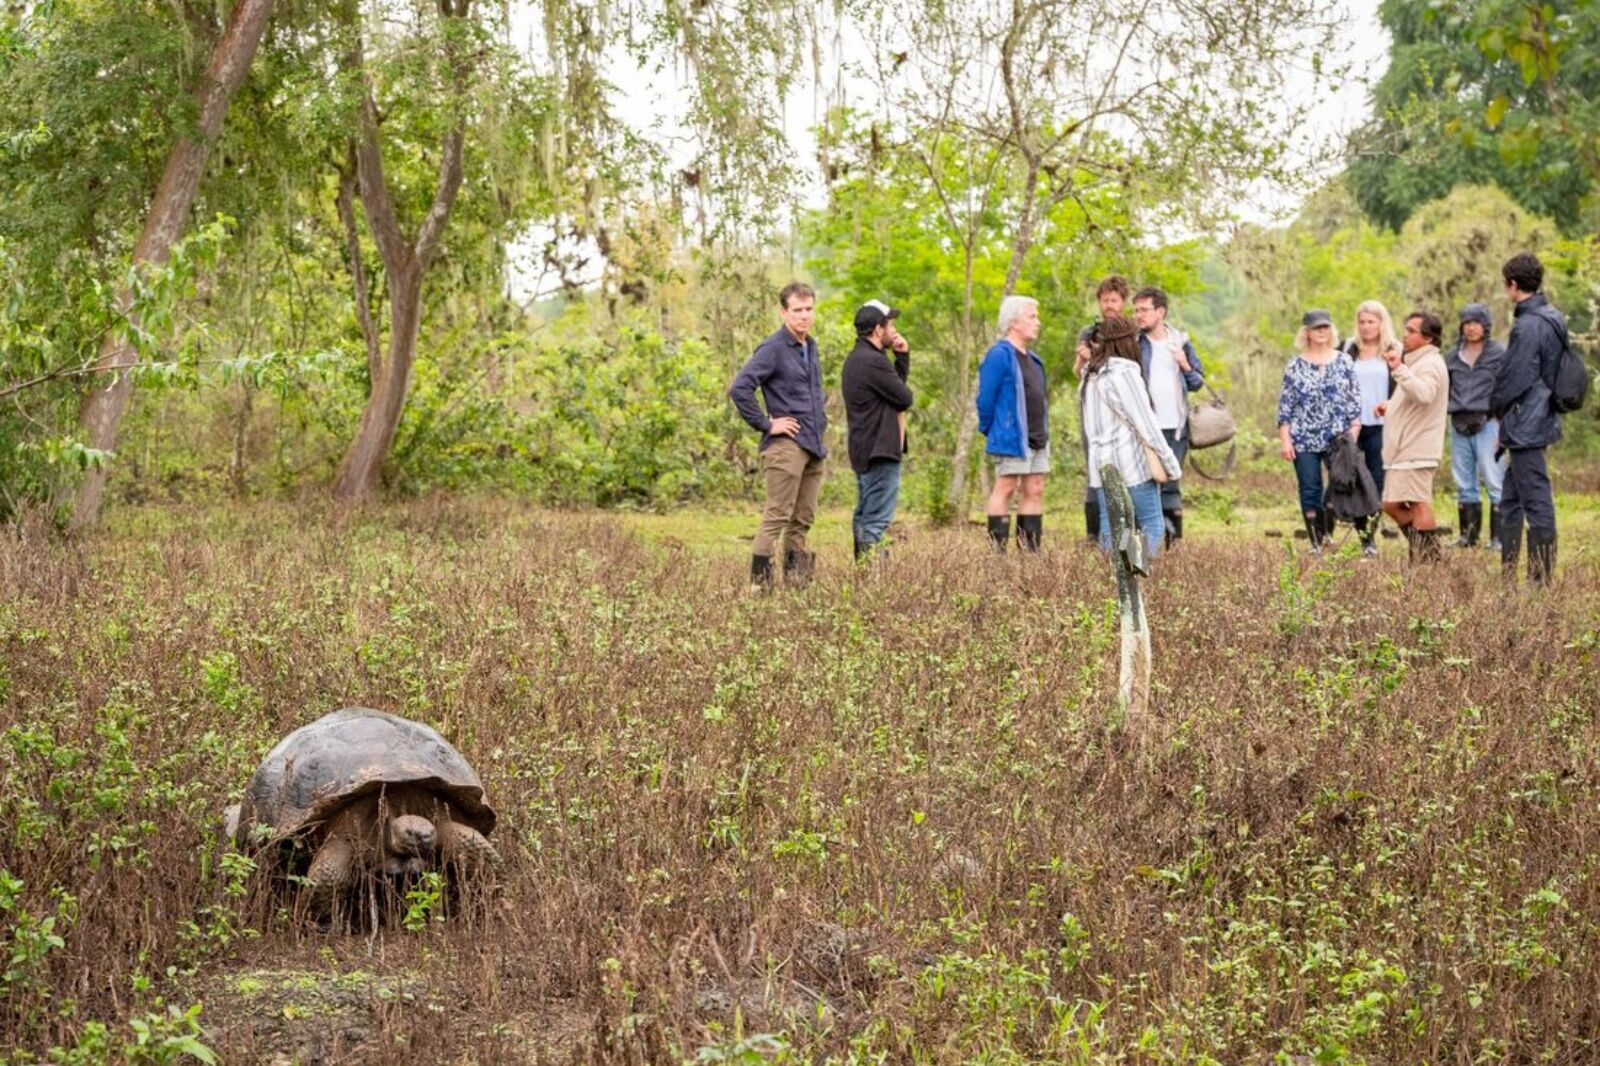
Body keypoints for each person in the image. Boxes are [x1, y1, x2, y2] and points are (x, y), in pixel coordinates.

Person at [728, 282, 827, 589]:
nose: (804, 316)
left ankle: (798, 589)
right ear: (784, 312)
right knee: (776, 518)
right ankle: (761, 590)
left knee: (802, 521)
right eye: (797, 310)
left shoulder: (810, 346)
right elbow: (739, 388)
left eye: (809, 309)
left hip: (813, 445)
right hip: (786, 447)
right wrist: (767, 424)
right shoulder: (772, 348)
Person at [1491, 252, 1568, 586]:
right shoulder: (1553, 316)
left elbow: (1515, 376)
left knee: (1536, 502)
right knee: (1510, 499)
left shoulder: (1530, 324)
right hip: (1537, 417)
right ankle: (1507, 575)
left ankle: (1540, 580)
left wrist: (1495, 408)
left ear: (1512, 285)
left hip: (1527, 424)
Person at [1080, 314, 1182, 560]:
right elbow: (1147, 426)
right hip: (1131, 466)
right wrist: (1171, 465)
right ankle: (1140, 577)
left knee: (1111, 527)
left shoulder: (1090, 375)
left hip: (1103, 466)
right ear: (1128, 341)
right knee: (1151, 525)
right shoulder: (1124, 373)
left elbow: (1090, 428)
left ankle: (1115, 583)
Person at [1276, 309, 1361, 552]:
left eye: (1325, 327)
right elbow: (1285, 407)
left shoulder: (1344, 361)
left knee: (1338, 485)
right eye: (1316, 328)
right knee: (1309, 487)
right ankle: (1316, 541)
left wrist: (1353, 434)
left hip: (1338, 436)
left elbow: (1354, 402)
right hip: (1303, 437)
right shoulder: (1295, 365)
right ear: (1307, 333)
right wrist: (1285, 440)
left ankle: (1328, 533)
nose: (1321, 332)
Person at [1131, 286, 1205, 547]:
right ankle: (1145, 546)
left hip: (1175, 426)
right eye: (1136, 310)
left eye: (1144, 310)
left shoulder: (1181, 342)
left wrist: (1184, 364)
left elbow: (1197, 382)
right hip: (1143, 427)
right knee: (1143, 484)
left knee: (1171, 484)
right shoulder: (1134, 343)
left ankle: (1173, 547)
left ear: (1160, 311)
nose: (1138, 315)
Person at [1375, 311, 1449, 563]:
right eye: (1405, 329)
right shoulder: (1417, 361)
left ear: (1428, 338)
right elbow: (1414, 397)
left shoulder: (1431, 364)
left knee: (1417, 502)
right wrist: (1391, 405)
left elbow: (1425, 393)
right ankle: (1428, 554)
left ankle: (1427, 560)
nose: (1404, 335)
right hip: (1406, 446)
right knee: (1391, 504)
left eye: (1411, 331)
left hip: (1419, 445)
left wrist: (1398, 369)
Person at [977, 295, 1049, 552]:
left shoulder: (1035, 359)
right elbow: (985, 398)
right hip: (1011, 435)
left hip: (1037, 435)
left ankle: (1030, 552)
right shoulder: (1000, 355)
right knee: (1006, 487)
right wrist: (993, 429)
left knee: (1035, 488)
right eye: (1032, 317)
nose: (1037, 322)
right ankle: (998, 552)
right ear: (1014, 322)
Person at [841, 300, 912, 560]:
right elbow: (904, 397)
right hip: (880, 450)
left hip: (864, 448)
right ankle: (876, 584)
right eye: (889, 324)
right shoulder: (873, 362)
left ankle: (864, 577)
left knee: (864, 515)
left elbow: (892, 392)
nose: (893, 330)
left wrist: (901, 357)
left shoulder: (858, 359)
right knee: (875, 521)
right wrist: (902, 358)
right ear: (877, 330)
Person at [1445, 304, 1507, 550]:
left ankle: (1499, 539)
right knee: (1464, 481)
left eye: (1476, 322)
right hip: (1459, 421)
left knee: (1494, 480)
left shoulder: (1499, 353)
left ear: (1486, 326)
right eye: (1466, 323)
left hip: (1489, 422)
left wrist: (1503, 423)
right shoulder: (1452, 356)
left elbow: (1507, 388)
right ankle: (1468, 537)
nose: (1471, 328)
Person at [1074, 276, 1130, 541]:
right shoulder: (1089, 332)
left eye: (1114, 300)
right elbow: (1077, 372)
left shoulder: (1130, 331)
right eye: (1105, 300)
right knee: (1095, 468)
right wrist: (1086, 358)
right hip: (1093, 410)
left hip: (1123, 409)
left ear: (1123, 302)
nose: (1109, 305)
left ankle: (1126, 530)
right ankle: (1093, 535)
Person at [1342, 301, 1399, 557]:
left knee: (1376, 482)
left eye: (1372, 321)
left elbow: (1402, 386)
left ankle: (1369, 539)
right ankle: (1354, 530)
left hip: (1381, 426)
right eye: (1363, 321)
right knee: (1350, 478)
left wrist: (1391, 404)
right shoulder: (1347, 350)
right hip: (1352, 425)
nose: (1366, 327)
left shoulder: (1393, 350)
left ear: (1381, 323)